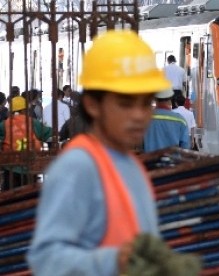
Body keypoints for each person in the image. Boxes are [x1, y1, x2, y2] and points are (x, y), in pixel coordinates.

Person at [27, 30, 189, 275]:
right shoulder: (78, 167)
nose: (138, 115)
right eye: (125, 103)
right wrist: (117, 262)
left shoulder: (130, 165)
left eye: (145, 103)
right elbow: (46, 259)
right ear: (93, 104)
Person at [0, 96, 52, 190]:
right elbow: (49, 134)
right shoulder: (33, 122)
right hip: (30, 168)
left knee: (9, 197)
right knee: (29, 196)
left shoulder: (4, 124)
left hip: (11, 168)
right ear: (25, 110)